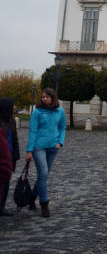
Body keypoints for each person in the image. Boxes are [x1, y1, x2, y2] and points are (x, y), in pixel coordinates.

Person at [25, 88, 66, 217]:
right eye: (43, 97)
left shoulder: (60, 111)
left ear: (53, 98)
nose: (45, 99)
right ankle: (44, 204)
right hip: (39, 147)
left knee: (43, 176)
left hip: (53, 148)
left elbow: (62, 127)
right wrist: (29, 150)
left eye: (47, 97)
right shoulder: (37, 112)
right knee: (43, 173)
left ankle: (31, 198)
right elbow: (33, 132)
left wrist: (60, 142)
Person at [0, 98, 19, 216]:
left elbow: (14, 137)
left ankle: (2, 206)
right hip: (2, 154)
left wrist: (16, 155)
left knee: (6, 181)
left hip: (10, 154)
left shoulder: (12, 120)